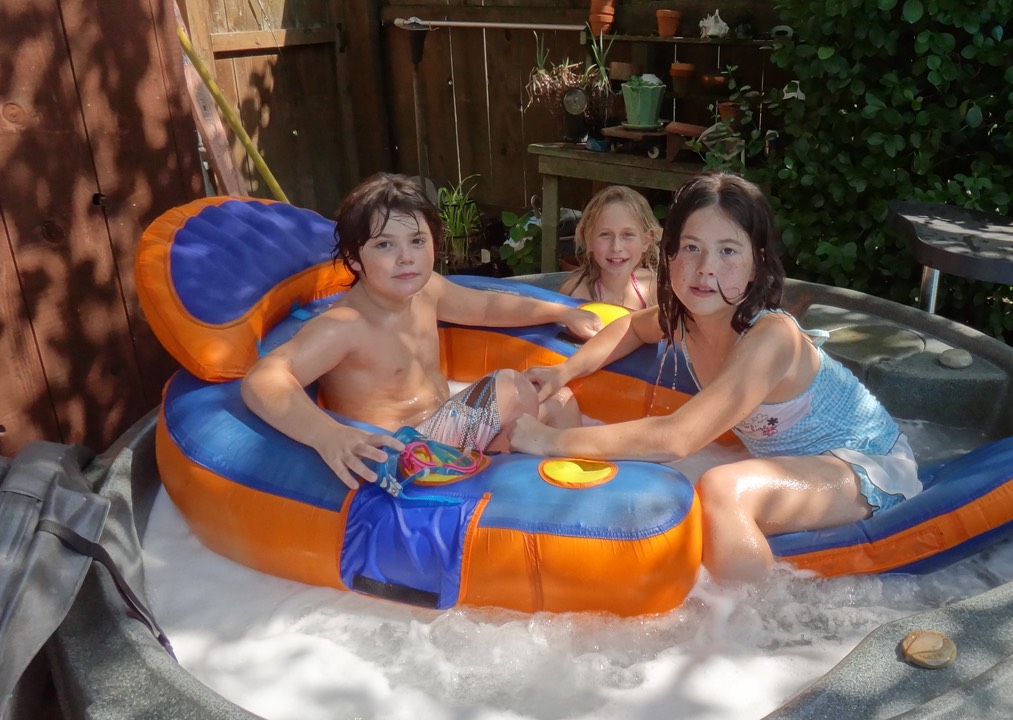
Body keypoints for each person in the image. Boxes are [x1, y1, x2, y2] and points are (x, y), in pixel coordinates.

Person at [511, 173, 921, 583]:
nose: (705, 269)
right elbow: (631, 328)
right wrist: (563, 371)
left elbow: (676, 438)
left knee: (724, 490)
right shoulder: (685, 318)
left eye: (728, 251)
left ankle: (755, 629)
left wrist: (549, 441)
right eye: (691, 248)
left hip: (866, 465)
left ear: (755, 263)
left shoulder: (772, 337)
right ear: (669, 254)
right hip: (796, 464)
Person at [242, 173, 601, 490]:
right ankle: (513, 486)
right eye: (384, 245)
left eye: (417, 241)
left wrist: (562, 312)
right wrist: (328, 435)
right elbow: (263, 379)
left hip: (444, 427)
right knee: (510, 387)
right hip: (405, 453)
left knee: (561, 399)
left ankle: (572, 488)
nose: (406, 257)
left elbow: (488, 307)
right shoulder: (346, 325)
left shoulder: (427, 291)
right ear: (354, 259)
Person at [558, 186, 660, 311]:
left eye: (627, 234)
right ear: (588, 239)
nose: (616, 247)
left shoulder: (652, 287)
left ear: (646, 241)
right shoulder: (575, 293)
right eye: (605, 234)